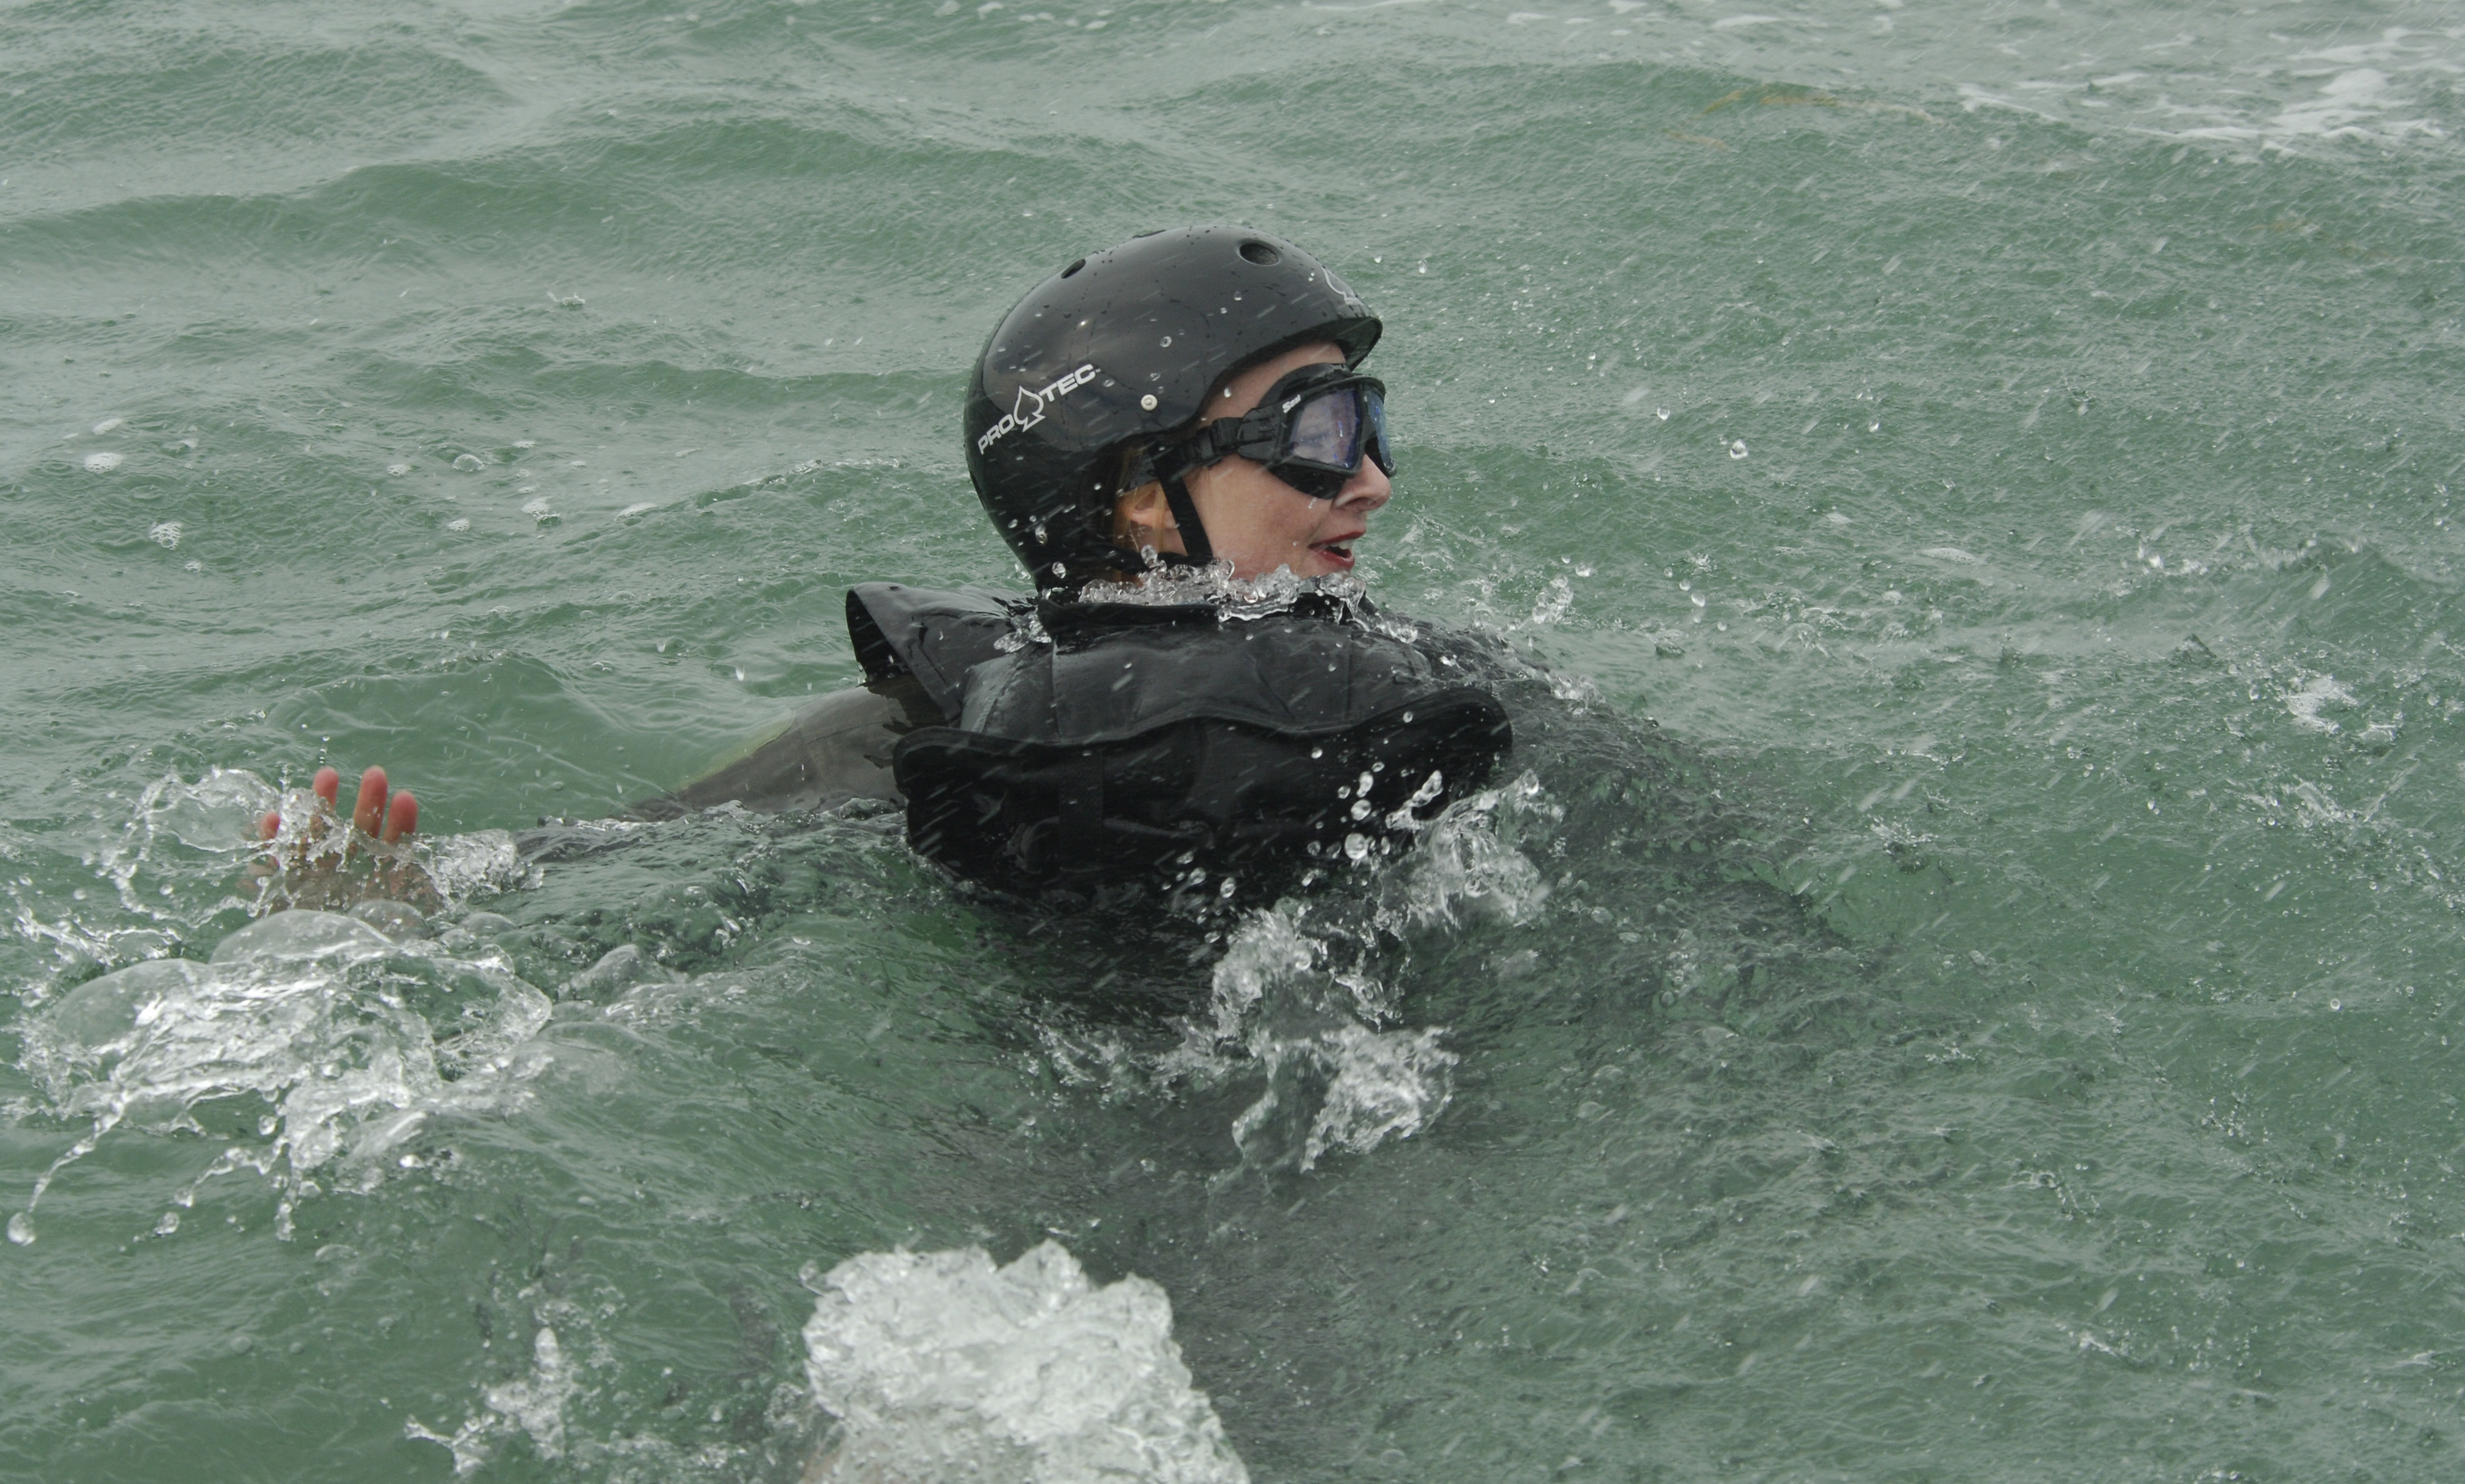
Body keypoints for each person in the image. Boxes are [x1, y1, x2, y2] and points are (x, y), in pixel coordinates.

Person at [257, 226, 1511, 907]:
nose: (1373, 478)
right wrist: (399, 908)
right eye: (1319, 431)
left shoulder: (1421, 685)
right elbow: (616, 861)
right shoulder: (914, 736)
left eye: (1371, 422)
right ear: (1137, 497)